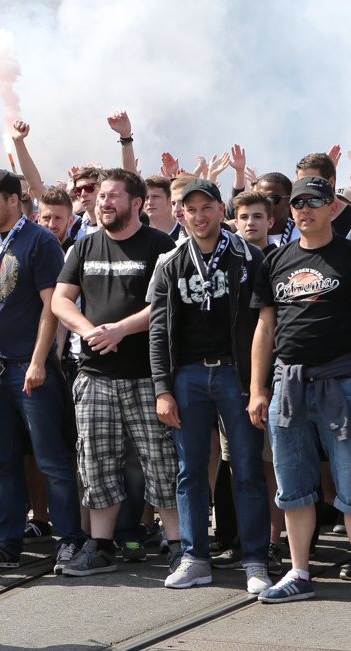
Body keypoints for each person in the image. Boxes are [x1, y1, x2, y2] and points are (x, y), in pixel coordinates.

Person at [51, 168, 181, 577]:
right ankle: (101, 548)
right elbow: (60, 300)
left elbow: (166, 304)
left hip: (148, 376)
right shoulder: (84, 247)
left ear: (137, 203)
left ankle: (179, 547)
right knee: (96, 464)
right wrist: (90, 331)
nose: (103, 202)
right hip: (94, 377)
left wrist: (122, 329)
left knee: (161, 463)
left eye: (112, 196)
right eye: (101, 196)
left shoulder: (161, 246)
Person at [148, 179, 271, 593]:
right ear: (181, 213)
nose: (199, 216)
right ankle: (194, 557)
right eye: (190, 208)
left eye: (207, 208)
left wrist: (258, 385)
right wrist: (162, 389)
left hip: (235, 374)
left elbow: (263, 326)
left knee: (248, 469)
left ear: (222, 210)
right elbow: (158, 331)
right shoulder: (170, 262)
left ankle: (255, 560)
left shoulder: (251, 257)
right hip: (187, 376)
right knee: (190, 471)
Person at [0, 169, 86, 571]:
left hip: (27, 369)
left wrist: (38, 361)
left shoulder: (41, 241)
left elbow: (53, 305)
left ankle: (70, 539)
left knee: (50, 458)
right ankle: (7, 542)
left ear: (13, 200)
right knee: (3, 460)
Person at [249, 175, 351, 602]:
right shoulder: (274, 261)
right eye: (298, 203)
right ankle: (299, 573)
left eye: (315, 201)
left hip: (342, 383)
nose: (305, 209)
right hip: (287, 386)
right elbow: (265, 327)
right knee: (292, 487)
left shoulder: (348, 256)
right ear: (288, 211)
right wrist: (258, 389)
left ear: (332, 207)